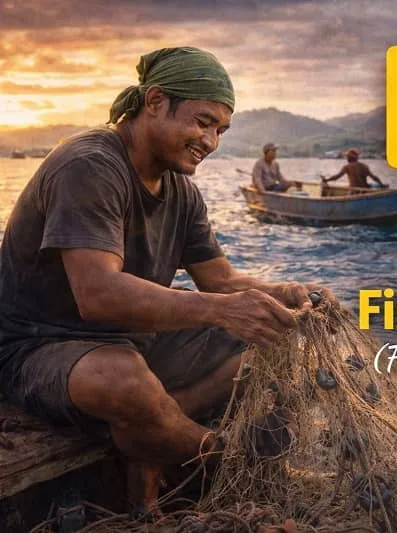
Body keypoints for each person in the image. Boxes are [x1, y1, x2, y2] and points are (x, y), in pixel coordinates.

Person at [0, 47, 336, 518]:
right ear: (155, 102)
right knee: (124, 379)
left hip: (131, 340)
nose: (211, 141)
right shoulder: (90, 165)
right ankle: (227, 463)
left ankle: (153, 434)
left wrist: (281, 292)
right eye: (202, 122)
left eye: (220, 129)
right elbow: (97, 294)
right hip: (39, 345)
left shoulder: (183, 191)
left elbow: (220, 279)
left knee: (273, 345)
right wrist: (222, 310)